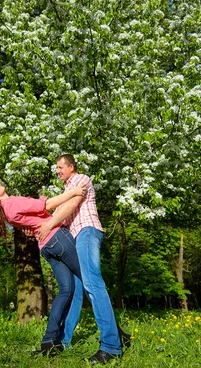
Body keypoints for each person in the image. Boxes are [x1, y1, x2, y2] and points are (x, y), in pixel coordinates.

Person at [36, 154, 130, 364]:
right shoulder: (66, 190)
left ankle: (111, 346)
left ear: (71, 167)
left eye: (61, 167)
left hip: (86, 232)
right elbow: (58, 214)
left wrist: (49, 224)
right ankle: (64, 342)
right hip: (76, 238)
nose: (58, 171)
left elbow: (69, 207)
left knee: (93, 285)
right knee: (77, 291)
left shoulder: (81, 180)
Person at [0, 183, 86, 357]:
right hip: (58, 238)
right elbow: (47, 205)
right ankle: (114, 334)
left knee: (66, 290)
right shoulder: (12, 203)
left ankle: (49, 340)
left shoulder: (7, 214)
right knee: (90, 281)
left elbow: (31, 222)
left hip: (46, 247)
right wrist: (74, 192)